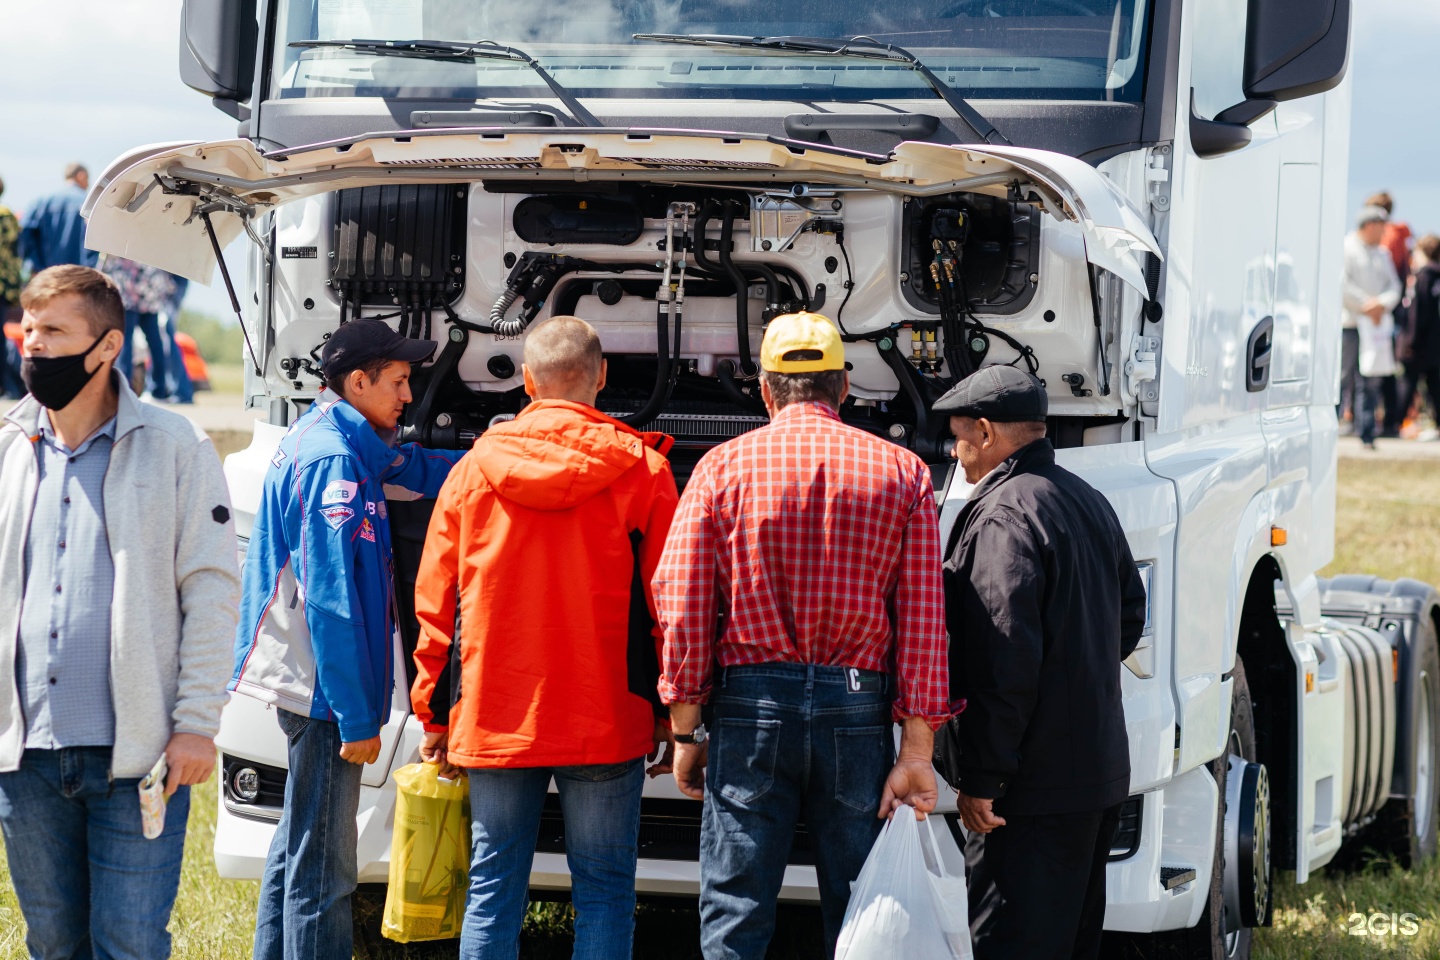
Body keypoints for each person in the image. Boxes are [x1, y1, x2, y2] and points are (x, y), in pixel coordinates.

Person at [654, 311, 954, 960]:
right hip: (857, 707)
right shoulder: (903, 473)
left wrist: (686, 727)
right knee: (863, 909)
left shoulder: (720, 469)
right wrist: (918, 750)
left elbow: (680, 600)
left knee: (736, 912)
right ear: (843, 387)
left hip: (750, 705)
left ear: (764, 390)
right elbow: (926, 617)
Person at [410, 315, 680, 959]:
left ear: (527, 382)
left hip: (494, 714)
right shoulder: (642, 471)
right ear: (602, 377)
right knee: (607, 888)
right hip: (606, 717)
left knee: (492, 885)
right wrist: (672, 710)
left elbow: (436, 604)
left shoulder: (473, 472)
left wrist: (433, 714)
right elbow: (667, 605)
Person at [0, 265, 240, 959]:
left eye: (54, 332)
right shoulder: (10, 451)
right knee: (52, 943)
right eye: (30, 329)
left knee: (129, 944)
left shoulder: (176, 447)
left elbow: (212, 588)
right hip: (27, 761)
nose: (33, 346)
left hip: (136, 760)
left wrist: (197, 723)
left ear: (105, 349)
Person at [231, 318, 466, 960]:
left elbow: (414, 468)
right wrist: (357, 716)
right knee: (326, 869)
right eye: (397, 382)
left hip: (314, 685)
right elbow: (330, 605)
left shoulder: (345, 437)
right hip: (322, 691)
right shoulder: (333, 461)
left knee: (297, 842)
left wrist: (491, 456)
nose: (409, 397)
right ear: (357, 381)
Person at [931, 365, 1147, 960]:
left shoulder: (1004, 515)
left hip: (1029, 792)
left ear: (986, 432)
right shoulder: (1086, 498)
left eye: (959, 437)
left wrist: (984, 780)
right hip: (1095, 776)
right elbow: (1130, 616)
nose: (956, 452)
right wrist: (1076, 673)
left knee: (1012, 945)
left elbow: (1004, 659)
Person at [1343, 206, 1403, 448]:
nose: (1384, 232)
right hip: (1352, 323)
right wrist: (1366, 306)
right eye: (1380, 227)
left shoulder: (1382, 253)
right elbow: (1343, 284)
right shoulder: (1346, 248)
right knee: (1345, 375)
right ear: (1369, 226)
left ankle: (1367, 432)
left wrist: (1380, 305)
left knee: (1369, 378)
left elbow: (1394, 286)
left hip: (1375, 325)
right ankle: (1339, 425)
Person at [1366, 192, 1412, 436]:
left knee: (1381, 367)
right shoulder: (1400, 236)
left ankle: (1387, 420)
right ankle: (1390, 420)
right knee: (1386, 366)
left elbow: (1383, 277)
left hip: (1383, 312)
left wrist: (1378, 304)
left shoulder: (1387, 238)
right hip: (1393, 310)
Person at [99, 254, 174, 401]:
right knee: (155, 342)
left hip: (128, 289)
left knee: (125, 341)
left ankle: (124, 389)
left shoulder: (122, 235)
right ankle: (159, 389)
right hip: (150, 289)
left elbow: (107, 261)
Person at [19, 163, 96, 274]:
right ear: (81, 175)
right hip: (80, 278)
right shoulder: (90, 203)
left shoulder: (40, 202)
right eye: (88, 179)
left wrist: (36, 266)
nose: (88, 184)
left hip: (48, 277)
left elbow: (25, 233)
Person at [1401, 234, 1440, 440]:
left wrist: (1409, 341)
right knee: (1435, 385)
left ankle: (1394, 421)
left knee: (1408, 383)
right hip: (1436, 343)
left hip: (1420, 343)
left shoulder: (1423, 277)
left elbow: (1417, 313)